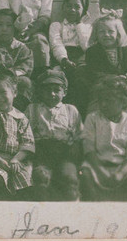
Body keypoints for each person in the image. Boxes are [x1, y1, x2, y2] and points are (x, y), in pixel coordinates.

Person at [80, 75, 127, 201]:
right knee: (85, 178)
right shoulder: (92, 118)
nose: (103, 104)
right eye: (101, 100)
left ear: (123, 102)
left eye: (109, 100)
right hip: (97, 166)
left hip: (124, 167)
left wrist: (120, 173)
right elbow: (89, 150)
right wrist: (101, 171)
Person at [25, 70, 83, 201]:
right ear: (40, 92)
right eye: (47, 90)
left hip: (65, 154)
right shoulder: (32, 109)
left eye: (56, 90)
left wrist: (75, 154)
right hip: (41, 153)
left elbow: (79, 136)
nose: (51, 94)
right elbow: (25, 134)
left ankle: (72, 211)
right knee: (40, 177)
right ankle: (43, 214)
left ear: (65, 92)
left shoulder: (70, 110)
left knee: (69, 178)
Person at [84, 9, 127, 119]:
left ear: (118, 33)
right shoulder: (92, 52)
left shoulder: (126, 51)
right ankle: (98, 125)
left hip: (123, 88)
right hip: (103, 87)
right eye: (102, 32)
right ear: (96, 34)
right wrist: (115, 78)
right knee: (100, 100)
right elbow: (93, 73)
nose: (106, 35)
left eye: (110, 31)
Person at [0, 9, 33, 111]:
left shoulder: (21, 48)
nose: (4, 29)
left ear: (15, 27)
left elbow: (25, 67)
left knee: (25, 82)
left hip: (13, 79)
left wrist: (10, 74)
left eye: (9, 25)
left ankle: (18, 111)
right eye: (0, 25)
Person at [49, 0, 93, 107]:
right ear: (63, 7)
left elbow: (86, 46)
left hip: (81, 59)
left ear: (83, 10)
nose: (72, 10)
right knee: (58, 78)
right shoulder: (56, 26)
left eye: (77, 7)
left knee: (81, 78)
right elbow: (56, 44)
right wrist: (64, 60)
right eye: (69, 6)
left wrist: (79, 24)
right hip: (62, 58)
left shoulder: (88, 27)